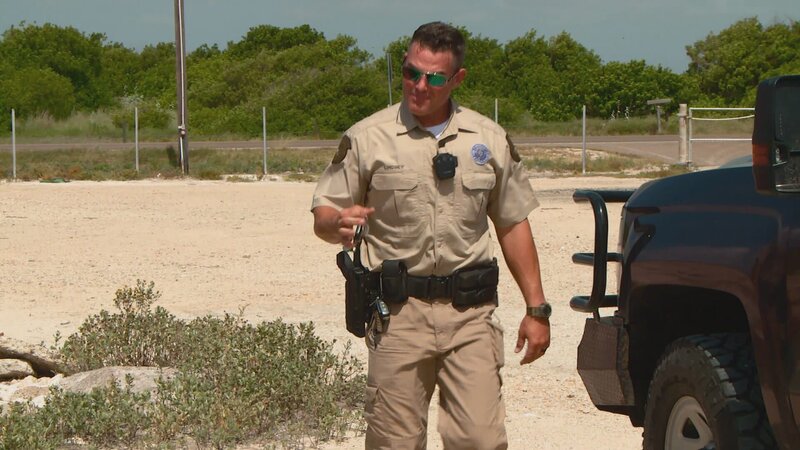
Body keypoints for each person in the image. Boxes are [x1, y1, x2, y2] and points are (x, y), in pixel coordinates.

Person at [311, 21, 550, 450]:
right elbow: (325, 212)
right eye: (411, 72)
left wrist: (538, 309)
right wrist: (334, 223)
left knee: (479, 439)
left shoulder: (489, 140)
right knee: (394, 443)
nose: (419, 85)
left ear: (457, 79)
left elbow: (513, 222)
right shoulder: (369, 138)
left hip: (470, 316)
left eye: (434, 77)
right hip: (399, 316)